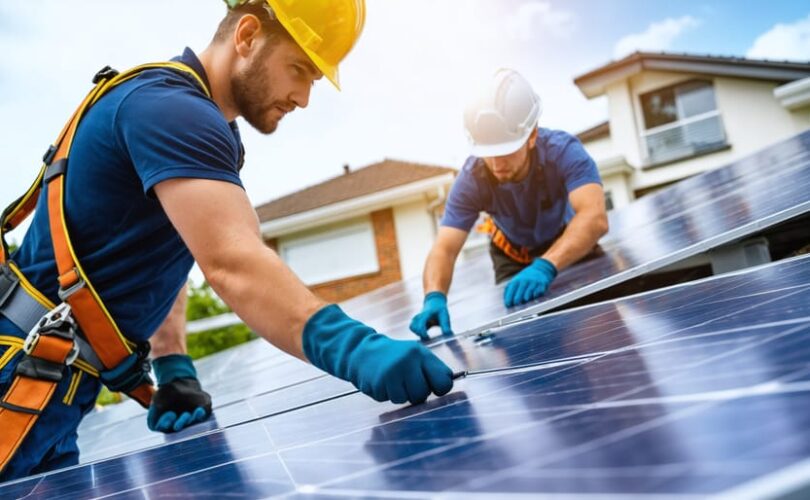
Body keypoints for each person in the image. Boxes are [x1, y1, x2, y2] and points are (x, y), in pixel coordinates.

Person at [0, 0, 453, 482]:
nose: (303, 97)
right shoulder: (173, 110)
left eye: (314, 81)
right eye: (298, 69)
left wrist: (173, 363)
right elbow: (233, 262)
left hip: (50, 387)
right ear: (247, 35)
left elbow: (173, 248)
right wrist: (355, 348)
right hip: (22, 377)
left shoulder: (189, 117)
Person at [410, 69, 608, 340]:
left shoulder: (563, 151)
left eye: (506, 150)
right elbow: (444, 248)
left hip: (570, 243)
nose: (496, 164)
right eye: (488, 153)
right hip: (512, 257)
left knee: (602, 319)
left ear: (532, 136)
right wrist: (433, 296)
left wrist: (545, 266)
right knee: (528, 340)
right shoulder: (472, 178)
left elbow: (594, 217)